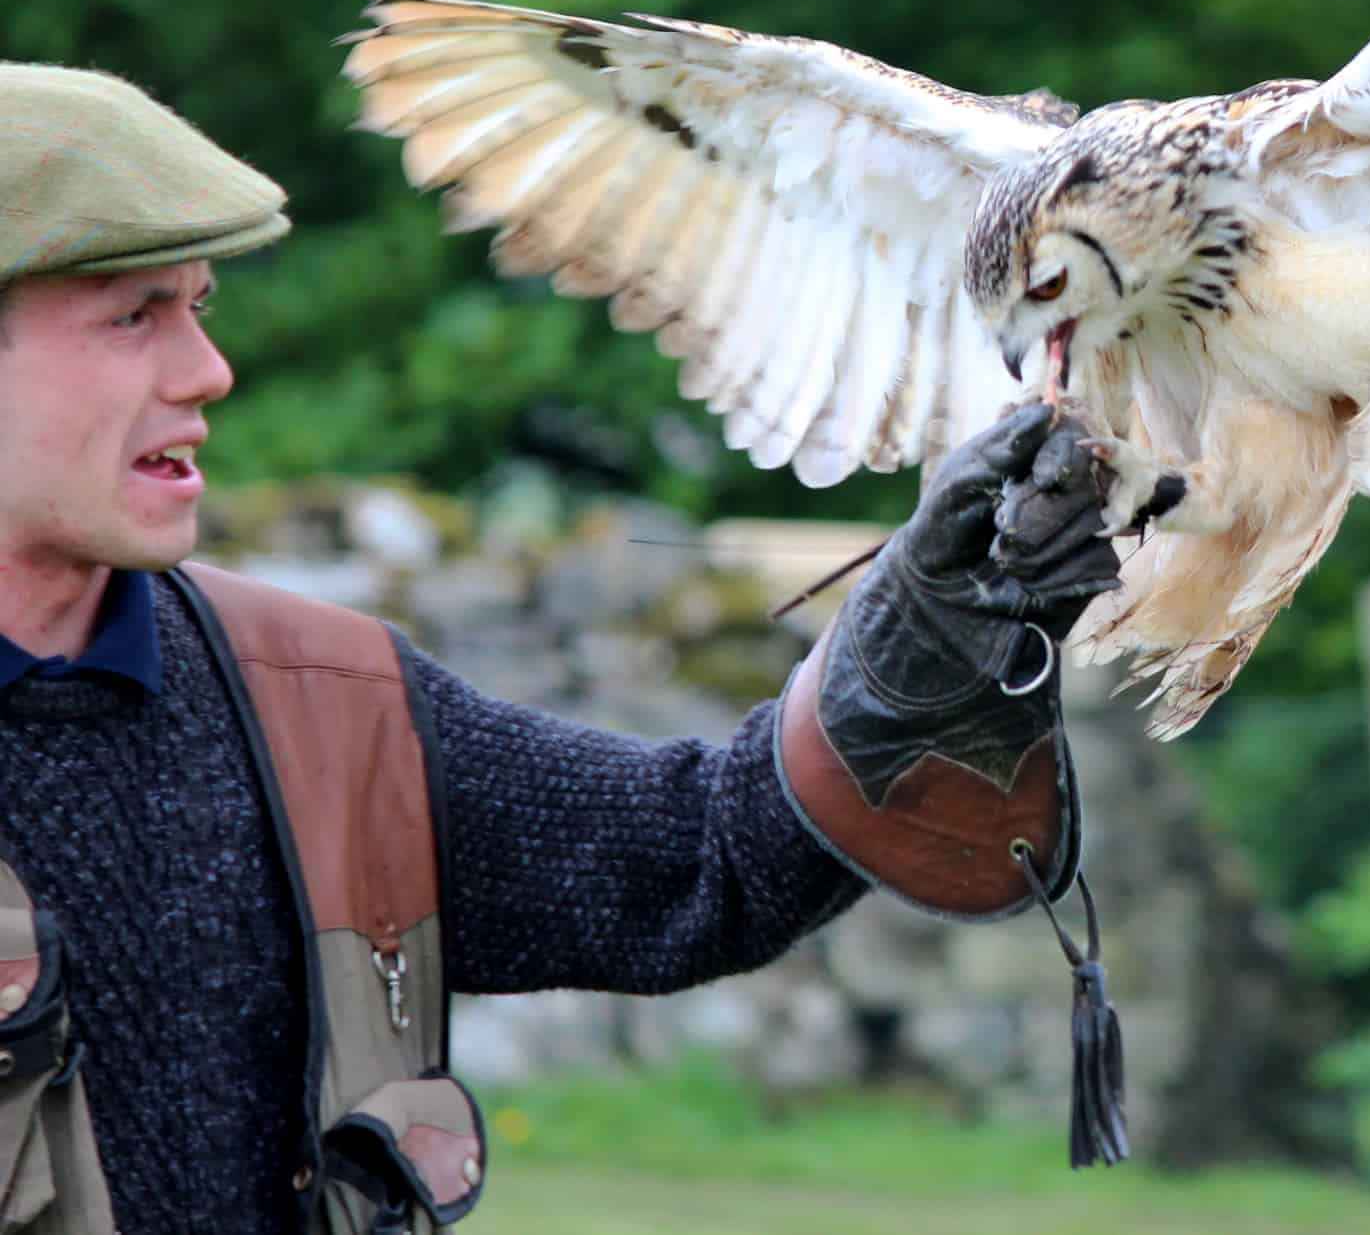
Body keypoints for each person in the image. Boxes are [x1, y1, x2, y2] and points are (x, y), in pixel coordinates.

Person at [0, 62, 1129, 1235]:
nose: (205, 370)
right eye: (134, 316)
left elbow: (694, 859)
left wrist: (915, 651)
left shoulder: (319, 710)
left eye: (199, 307)